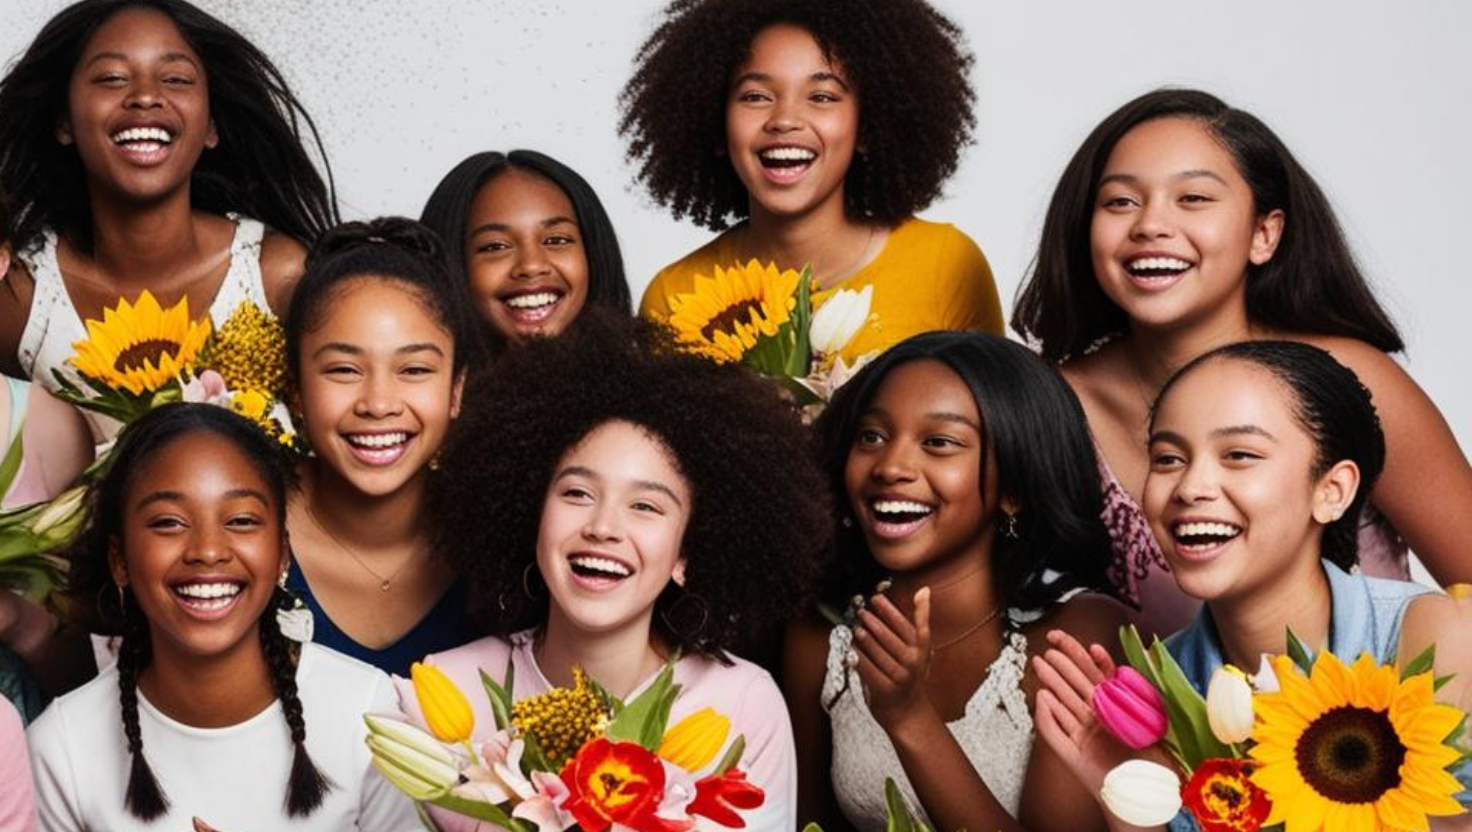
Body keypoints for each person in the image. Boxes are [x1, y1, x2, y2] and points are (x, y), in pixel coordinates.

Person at [1012, 88, 1472, 636]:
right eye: (1120, 202)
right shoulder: (1044, 407)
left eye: (1193, 198)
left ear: (1264, 233)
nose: (1150, 225)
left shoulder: (1357, 381)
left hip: (1374, 692)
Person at [409, 311, 831, 831]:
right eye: (577, 493)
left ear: (686, 553)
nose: (603, 527)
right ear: (531, 515)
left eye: (646, 506)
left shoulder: (743, 704)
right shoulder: (443, 693)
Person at [1034, 342, 1472, 830]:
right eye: (1168, 458)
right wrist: (1133, 800)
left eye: (1239, 455)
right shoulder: (1155, 699)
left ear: (1332, 491)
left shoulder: (1437, 638)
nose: (1190, 487)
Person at [785, 331, 1130, 832]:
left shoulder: (1077, 633)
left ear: (1013, 488)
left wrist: (909, 717)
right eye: (872, 436)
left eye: (939, 443)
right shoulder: (820, 636)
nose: (891, 467)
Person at [25, 403, 417, 831]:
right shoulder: (61, 747)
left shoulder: (367, 713)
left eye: (242, 520)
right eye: (169, 523)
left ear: (283, 554)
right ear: (120, 560)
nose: (208, 551)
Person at [0, 0, 336, 434]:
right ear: (64, 121)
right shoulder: (22, 296)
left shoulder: (275, 276)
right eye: (112, 78)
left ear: (211, 125)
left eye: (176, 79)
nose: (145, 96)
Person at [625, 0, 1002, 362]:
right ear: (716, 123)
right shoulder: (674, 296)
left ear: (867, 126)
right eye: (755, 96)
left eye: (822, 96)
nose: (785, 120)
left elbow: (999, 405)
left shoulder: (947, 266)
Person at [282, 217, 480, 674]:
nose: (378, 404)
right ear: (296, 391)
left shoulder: (498, 540)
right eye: (344, 370)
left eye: (414, 370)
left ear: (456, 390)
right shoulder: (241, 527)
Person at [419, 150, 631, 352]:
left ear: (593, 254)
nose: (532, 266)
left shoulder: (643, 373)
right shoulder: (411, 378)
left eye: (556, 240)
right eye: (496, 246)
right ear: (449, 264)